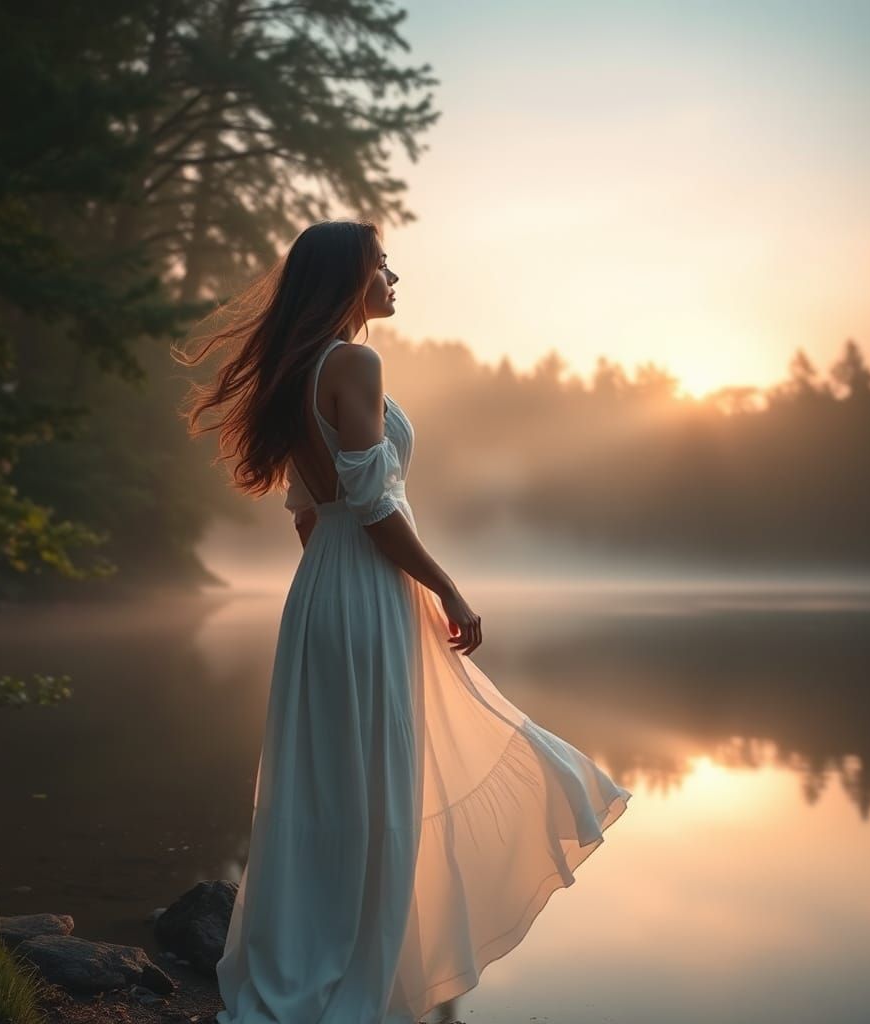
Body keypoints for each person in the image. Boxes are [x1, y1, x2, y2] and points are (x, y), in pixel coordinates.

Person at [173, 220, 632, 1024]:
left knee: (333, 784)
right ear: (348, 281)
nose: (394, 277)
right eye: (381, 265)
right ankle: (352, 971)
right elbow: (372, 506)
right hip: (367, 587)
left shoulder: (299, 371)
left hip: (326, 594)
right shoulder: (353, 363)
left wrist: (336, 587)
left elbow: (310, 518)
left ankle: (312, 957)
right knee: (374, 785)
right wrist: (446, 589)